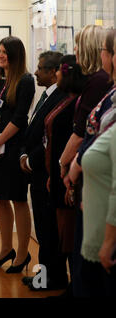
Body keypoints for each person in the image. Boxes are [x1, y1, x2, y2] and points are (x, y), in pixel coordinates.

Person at [59, 25, 111, 297]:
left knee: (86, 253)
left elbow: (82, 134)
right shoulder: (95, 81)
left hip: (91, 177)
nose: (75, 51)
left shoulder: (98, 83)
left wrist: (64, 163)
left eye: (78, 45)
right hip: (83, 173)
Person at [0, 36, 35, 273]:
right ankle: (5, 249)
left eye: (5, 52)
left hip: (12, 149)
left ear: (16, 55)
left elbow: (20, 118)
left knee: (18, 198)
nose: (1, 55)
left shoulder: (25, 80)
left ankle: (22, 253)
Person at [19, 51, 68, 290]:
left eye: (40, 68)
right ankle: (44, 276)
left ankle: (52, 279)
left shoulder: (61, 97)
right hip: (37, 172)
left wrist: (30, 160)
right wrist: (24, 155)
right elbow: (33, 131)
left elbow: (50, 138)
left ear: (53, 72)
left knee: (49, 232)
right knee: (43, 229)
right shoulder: (47, 95)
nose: (35, 72)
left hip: (46, 173)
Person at [43, 55, 86, 296]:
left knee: (69, 232)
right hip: (57, 175)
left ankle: (74, 285)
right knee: (63, 232)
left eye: (59, 71)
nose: (55, 74)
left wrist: (61, 167)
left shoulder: (76, 103)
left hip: (68, 175)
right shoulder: (65, 100)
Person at [78, 30, 116, 297]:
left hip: (107, 230)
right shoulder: (108, 91)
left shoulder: (99, 84)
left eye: (106, 49)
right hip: (95, 213)